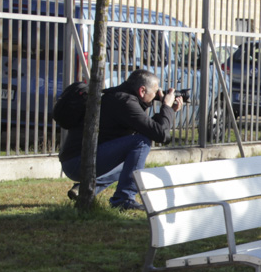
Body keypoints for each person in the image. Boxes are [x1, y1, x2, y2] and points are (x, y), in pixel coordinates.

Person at [58, 69, 183, 210]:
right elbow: (160, 135)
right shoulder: (125, 102)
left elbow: (152, 130)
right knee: (140, 143)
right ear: (142, 91)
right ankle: (124, 199)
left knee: (132, 160)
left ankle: (84, 190)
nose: (158, 95)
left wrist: (169, 110)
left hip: (75, 161)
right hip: (77, 162)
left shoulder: (120, 98)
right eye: (155, 92)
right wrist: (166, 107)